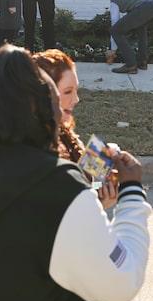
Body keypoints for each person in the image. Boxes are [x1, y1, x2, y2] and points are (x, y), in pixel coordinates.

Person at [0, 45, 151, 301]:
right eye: (55, 101)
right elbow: (121, 283)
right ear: (38, 110)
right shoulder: (63, 186)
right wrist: (131, 193)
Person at [34, 48, 118, 210]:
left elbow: (85, 188)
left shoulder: (64, 133)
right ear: (45, 94)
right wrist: (99, 204)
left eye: (76, 91)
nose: (76, 100)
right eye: (68, 92)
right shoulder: (37, 150)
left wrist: (102, 188)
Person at [104, 0, 153, 74]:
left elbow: (115, 23)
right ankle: (142, 62)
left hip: (145, 7)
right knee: (140, 27)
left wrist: (113, 49)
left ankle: (130, 65)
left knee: (116, 31)